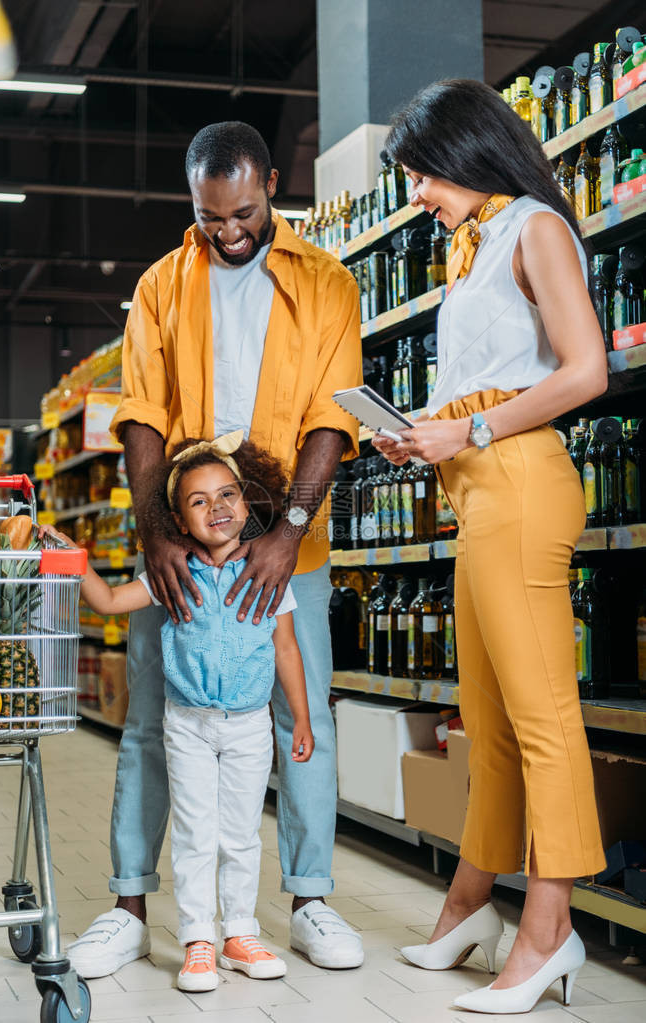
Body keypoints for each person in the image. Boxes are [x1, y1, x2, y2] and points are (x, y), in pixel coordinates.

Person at [67, 121, 364, 979]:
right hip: (185, 543)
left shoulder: (326, 283)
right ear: (191, 203)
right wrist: (159, 533)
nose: (227, 231)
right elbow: (144, 413)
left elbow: (330, 418)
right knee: (156, 722)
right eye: (209, 217)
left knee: (302, 721)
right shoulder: (163, 284)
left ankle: (308, 898)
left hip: (289, 544)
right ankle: (129, 905)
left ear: (271, 183)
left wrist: (289, 531)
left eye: (241, 212)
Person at [373, 79, 607, 1016]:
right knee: (489, 718)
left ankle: (548, 930)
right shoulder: (467, 251)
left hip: (518, 487)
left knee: (543, 720)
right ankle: (470, 904)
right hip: (474, 494)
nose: (417, 194)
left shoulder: (535, 228)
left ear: (467, 152)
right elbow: (492, 379)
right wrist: (423, 429)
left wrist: (465, 434)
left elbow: (586, 369)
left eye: (422, 173)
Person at [43, 432, 314, 991]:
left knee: (240, 834)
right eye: (199, 501)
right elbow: (111, 602)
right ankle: (198, 940)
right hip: (187, 725)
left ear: (247, 502)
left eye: (228, 494)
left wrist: (303, 720)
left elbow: (287, 650)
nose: (217, 507)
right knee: (195, 833)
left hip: (249, 726)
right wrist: (73, 559)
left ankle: (239, 933)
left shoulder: (268, 572)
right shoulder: (173, 575)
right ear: (177, 522)